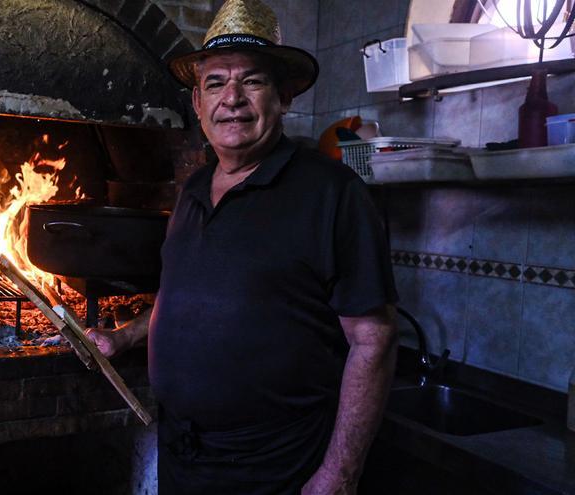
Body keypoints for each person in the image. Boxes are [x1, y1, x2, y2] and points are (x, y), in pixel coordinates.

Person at [87, 0, 399, 493]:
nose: (231, 97)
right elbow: (182, 295)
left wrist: (340, 472)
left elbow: (373, 339)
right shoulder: (193, 191)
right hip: (184, 455)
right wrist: (123, 336)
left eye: (252, 81)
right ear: (197, 104)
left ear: (283, 97)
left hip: (275, 466)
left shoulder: (332, 194)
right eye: (215, 83)